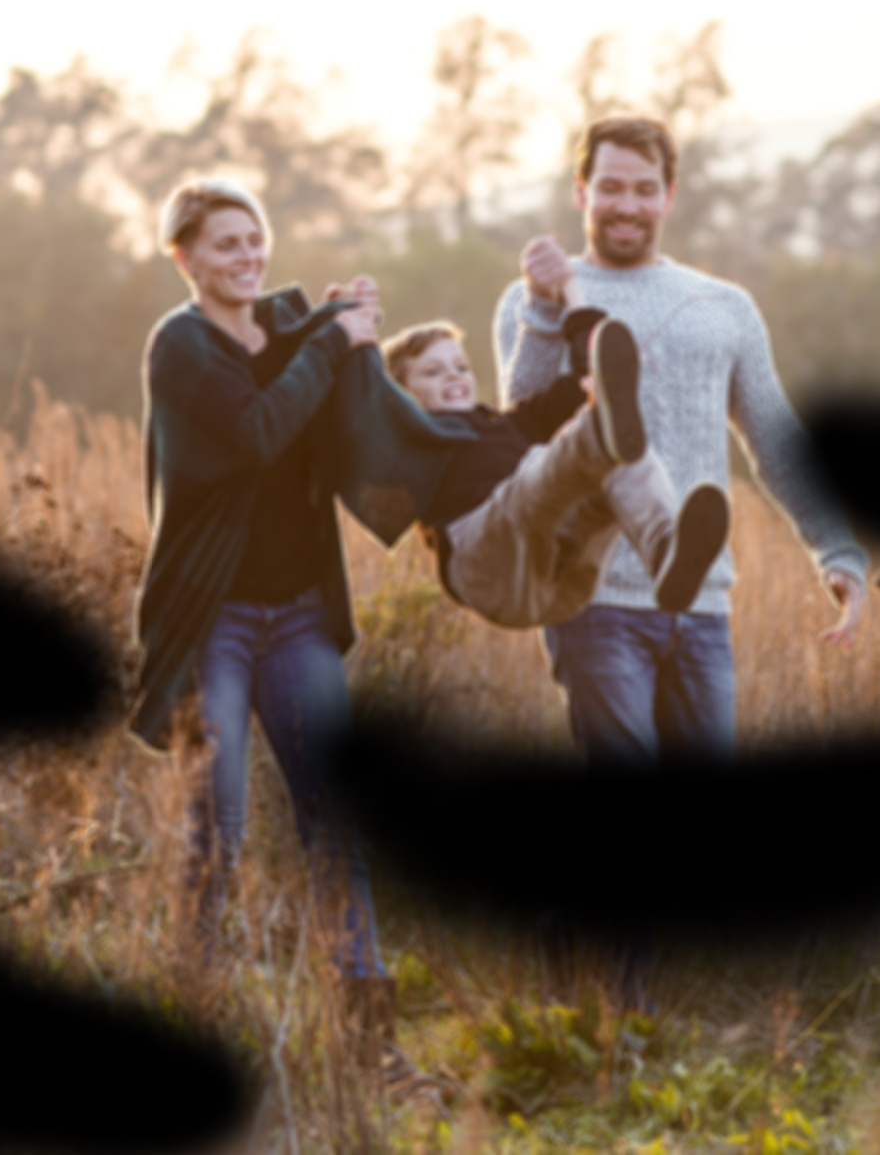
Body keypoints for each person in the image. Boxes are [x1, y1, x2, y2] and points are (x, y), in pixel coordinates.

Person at [494, 117, 869, 1008]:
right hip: (591, 595)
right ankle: (624, 1020)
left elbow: (774, 436)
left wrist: (836, 546)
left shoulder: (722, 306)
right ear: (581, 191)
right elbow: (522, 426)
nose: (626, 203)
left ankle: (564, 933)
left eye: (643, 187)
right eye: (609, 186)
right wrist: (548, 313)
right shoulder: (536, 295)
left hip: (701, 601)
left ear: (669, 194)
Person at [129, 176, 398, 1051]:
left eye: (254, 240)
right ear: (185, 257)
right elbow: (257, 430)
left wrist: (342, 329)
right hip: (217, 622)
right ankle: (197, 1013)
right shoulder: (181, 347)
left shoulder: (283, 333)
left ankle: (368, 1035)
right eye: (223, 244)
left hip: (300, 616)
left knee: (337, 818)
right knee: (219, 831)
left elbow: (331, 411)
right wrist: (330, 344)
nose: (245, 257)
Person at [379, 312, 731, 626]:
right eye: (432, 371)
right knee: (541, 466)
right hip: (489, 571)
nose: (453, 376)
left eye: (460, 367)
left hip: (562, 579)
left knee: (620, 447)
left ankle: (664, 548)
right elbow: (362, 426)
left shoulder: (512, 423)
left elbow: (584, 379)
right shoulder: (411, 445)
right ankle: (595, 432)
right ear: (401, 395)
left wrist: (578, 313)